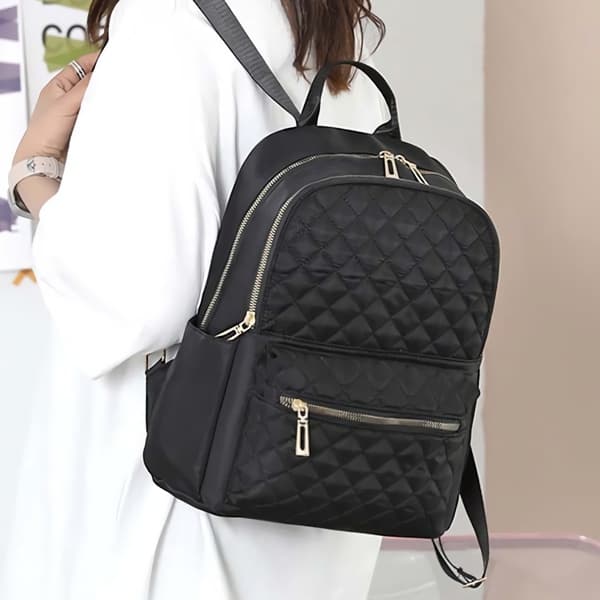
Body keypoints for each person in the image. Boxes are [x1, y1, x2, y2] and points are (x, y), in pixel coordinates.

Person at [1, 1, 390, 598]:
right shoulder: (334, 44)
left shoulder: (165, 23)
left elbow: (139, 299)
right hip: (319, 508)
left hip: (177, 518)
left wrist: (34, 173)